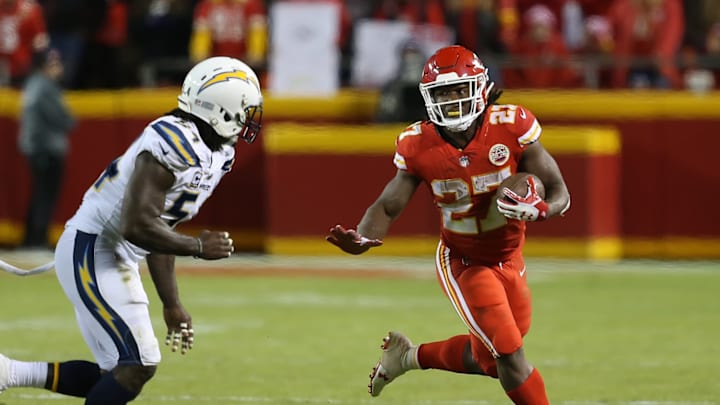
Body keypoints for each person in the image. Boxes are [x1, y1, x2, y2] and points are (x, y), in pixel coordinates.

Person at [0, 56, 263, 404]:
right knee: (138, 363)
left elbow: (161, 226)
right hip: (93, 248)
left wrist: (172, 303)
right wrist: (198, 247)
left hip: (111, 252)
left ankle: (9, 373)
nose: (248, 119)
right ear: (222, 109)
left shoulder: (215, 153)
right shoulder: (174, 142)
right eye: (245, 110)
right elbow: (137, 225)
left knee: (119, 371)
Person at [326, 45, 570, 404]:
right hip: (463, 260)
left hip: (509, 255)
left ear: (481, 87)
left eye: (459, 90)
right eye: (443, 93)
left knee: (492, 360)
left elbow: (560, 190)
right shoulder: (418, 143)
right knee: (509, 354)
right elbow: (389, 205)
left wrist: (542, 209)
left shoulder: (511, 125)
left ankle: (407, 357)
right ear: (428, 98)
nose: (453, 101)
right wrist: (364, 235)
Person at [18, 48, 75, 250]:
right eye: (54, 64)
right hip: (46, 148)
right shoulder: (45, 87)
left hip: (37, 147)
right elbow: (65, 119)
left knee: (39, 194)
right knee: (45, 195)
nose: (59, 67)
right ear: (45, 66)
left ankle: (31, 238)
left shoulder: (34, 84)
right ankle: (37, 240)